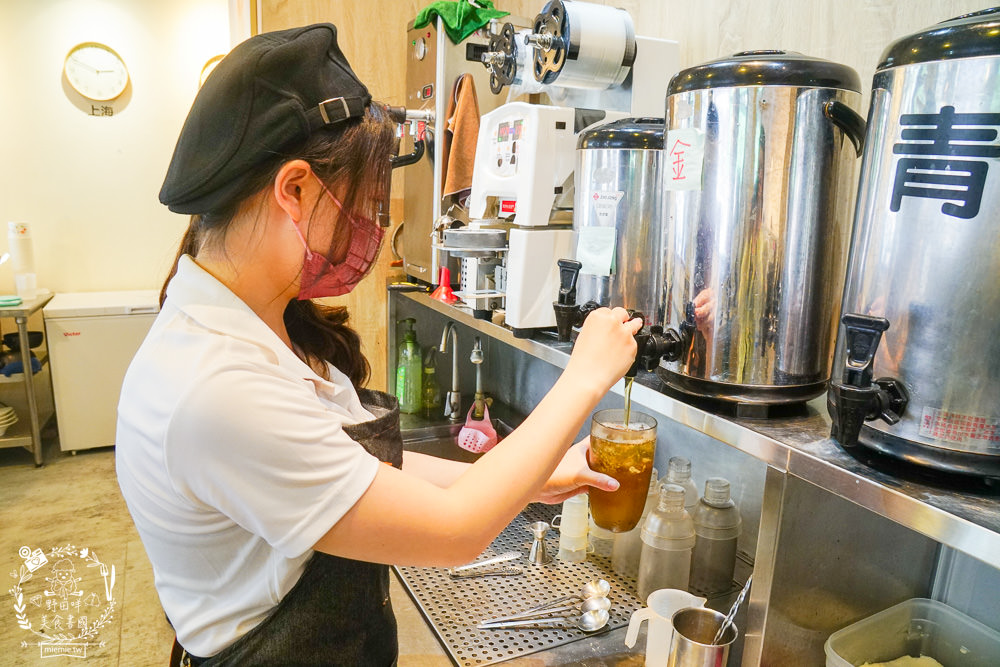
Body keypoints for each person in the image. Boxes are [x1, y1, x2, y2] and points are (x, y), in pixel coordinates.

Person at [115, 23, 642, 666]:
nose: (371, 226)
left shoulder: (253, 323)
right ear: (295, 189)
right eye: (361, 202)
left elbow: (348, 470)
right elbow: (455, 534)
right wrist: (585, 376)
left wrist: (525, 477)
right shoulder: (215, 388)